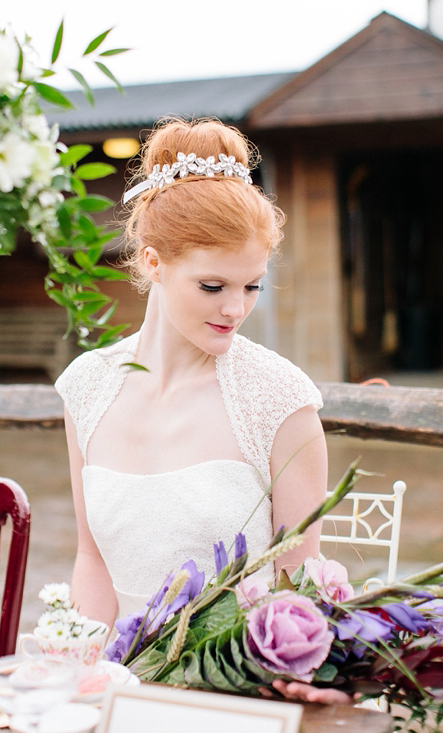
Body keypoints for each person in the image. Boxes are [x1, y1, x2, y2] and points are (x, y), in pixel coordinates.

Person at [55, 118, 347, 704]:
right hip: (119, 690)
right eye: (213, 287)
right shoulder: (86, 387)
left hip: (237, 694)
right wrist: (81, 680)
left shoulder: (280, 400)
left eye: (252, 286)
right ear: (154, 262)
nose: (236, 308)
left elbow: (296, 584)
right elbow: (92, 560)